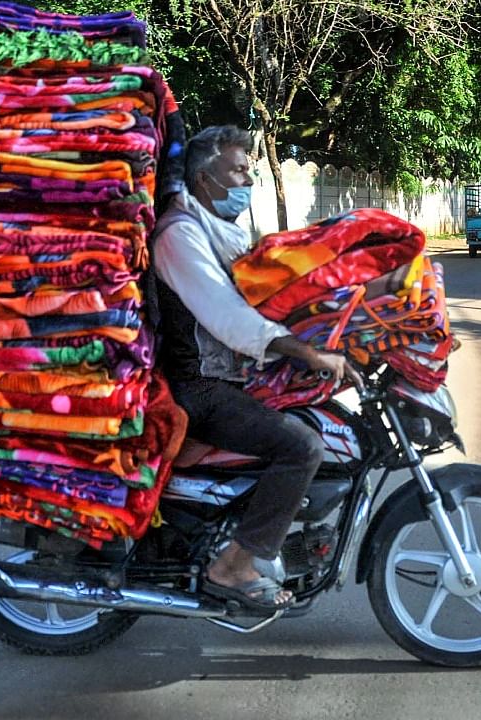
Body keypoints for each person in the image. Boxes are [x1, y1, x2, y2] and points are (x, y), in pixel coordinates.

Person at [151, 125, 361, 610]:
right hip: (199, 388)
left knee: (319, 417)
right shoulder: (180, 235)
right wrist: (305, 353)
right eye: (239, 169)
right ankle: (234, 566)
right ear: (205, 178)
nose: (248, 179)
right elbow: (229, 318)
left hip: (228, 377)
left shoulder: (217, 227)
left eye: (249, 168)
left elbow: (274, 291)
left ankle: (249, 534)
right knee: (301, 446)